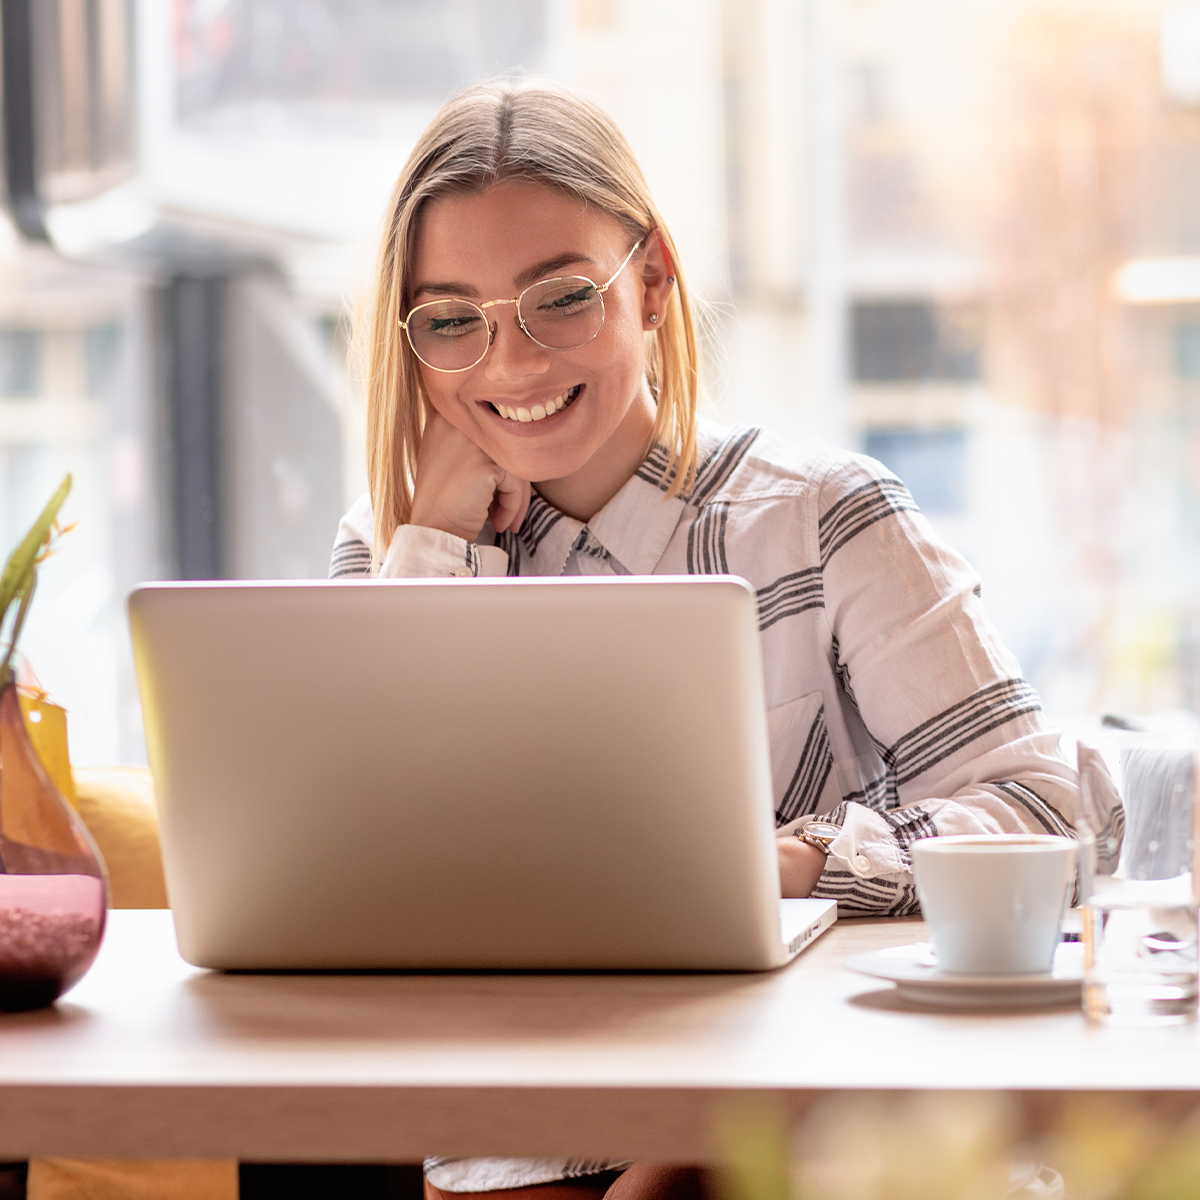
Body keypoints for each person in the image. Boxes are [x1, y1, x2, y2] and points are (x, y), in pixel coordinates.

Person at [329, 77, 1078, 1200]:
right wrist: (436, 540)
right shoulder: (391, 548)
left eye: (561, 298)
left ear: (654, 282)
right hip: (506, 1147)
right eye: (452, 320)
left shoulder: (821, 515)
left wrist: (793, 862)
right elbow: (357, 888)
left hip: (784, 1131)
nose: (515, 365)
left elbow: (1045, 809)